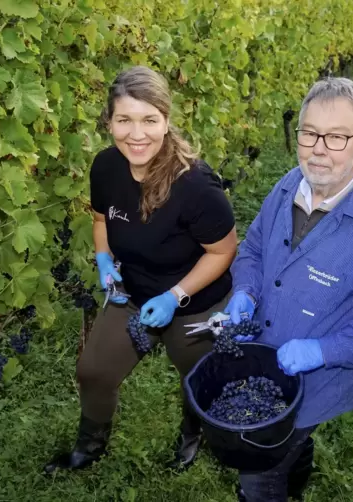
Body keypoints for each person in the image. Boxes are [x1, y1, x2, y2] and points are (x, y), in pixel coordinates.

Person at [224, 77, 353, 501]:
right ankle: (295, 472)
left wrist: (324, 352)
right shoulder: (288, 186)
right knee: (289, 450)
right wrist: (244, 291)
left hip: (318, 387)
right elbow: (254, 249)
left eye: (337, 137)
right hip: (263, 362)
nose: (318, 148)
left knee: (259, 473)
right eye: (309, 133)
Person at [44, 66, 238, 474]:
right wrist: (103, 259)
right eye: (124, 120)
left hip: (194, 302)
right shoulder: (106, 168)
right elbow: (101, 220)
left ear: (166, 121)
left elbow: (223, 252)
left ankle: (193, 431)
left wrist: (175, 297)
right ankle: (91, 444)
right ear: (109, 122)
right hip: (132, 291)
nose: (137, 134)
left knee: (199, 378)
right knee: (93, 371)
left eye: (149, 120)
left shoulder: (197, 186)